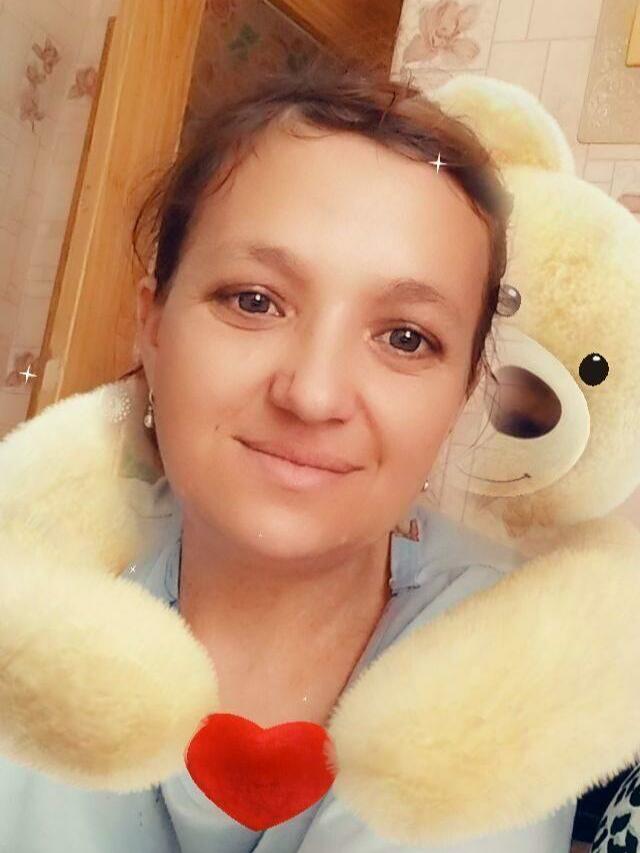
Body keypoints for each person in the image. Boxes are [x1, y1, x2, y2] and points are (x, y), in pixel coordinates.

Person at [0, 56, 577, 851]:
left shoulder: (522, 648)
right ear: (154, 325)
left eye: (406, 338)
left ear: (461, 392)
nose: (312, 393)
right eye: (254, 300)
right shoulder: (29, 591)